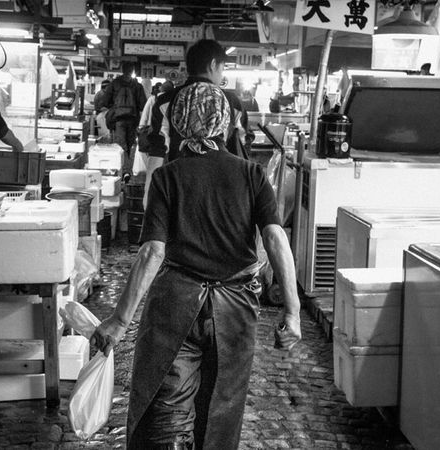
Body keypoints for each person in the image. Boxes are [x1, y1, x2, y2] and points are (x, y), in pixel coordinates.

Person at [91, 82, 302, 450]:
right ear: (224, 123)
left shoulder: (167, 176)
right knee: (222, 408)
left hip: (176, 305)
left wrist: (119, 321)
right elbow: (275, 239)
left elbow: (152, 252)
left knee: (167, 413)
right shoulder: (252, 174)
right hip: (235, 309)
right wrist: (293, 312)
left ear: (178, 122)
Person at [143, 39, 254, 205]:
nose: (221, 74)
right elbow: (244, 144)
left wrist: (149, 193)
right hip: (224, 191)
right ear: (213, 64)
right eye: (222, 68)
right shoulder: (230, 101)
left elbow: (158, 149)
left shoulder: (166, 101)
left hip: (179, 188)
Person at [97, 61, 148, 175]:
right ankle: (127, 169)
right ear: (132, 71)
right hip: (133, 119)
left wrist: (113, 106)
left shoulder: (115, 83)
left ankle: (123, 170)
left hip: (118, 119)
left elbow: (105, 101)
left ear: (122, 70)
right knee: (130, 144)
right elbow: (142, 104)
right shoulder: (137, 85)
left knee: (120, 144)